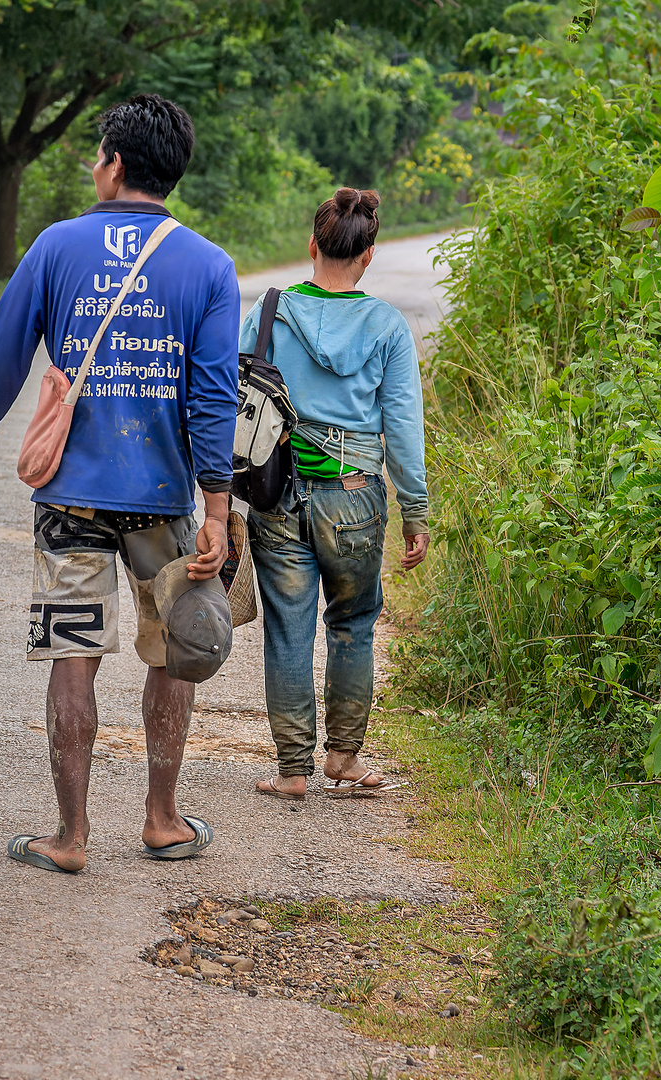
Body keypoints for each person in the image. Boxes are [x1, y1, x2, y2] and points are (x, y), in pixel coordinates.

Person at [0, 95, 240, 871]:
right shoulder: (208, 264)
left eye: (95, 153)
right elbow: (213, 397)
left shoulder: (56, 246)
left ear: (113, 164)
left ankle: (70, 837)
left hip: (70, 497)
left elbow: (2, 354)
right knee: (173, 652)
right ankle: (162, 818)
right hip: (162, 501)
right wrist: (218, 508)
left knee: (73, 660)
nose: (92, 166)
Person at [240, 188, 430, 801]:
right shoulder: (385, 326)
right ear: (369, 255)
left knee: (288, 631)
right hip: (354, 497)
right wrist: (415, 510)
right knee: (353, 624)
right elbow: (400, 427)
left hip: (278, 495)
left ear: (313, 244)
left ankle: (292, 771)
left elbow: (232, 399)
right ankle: (344, 759)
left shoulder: (267, 313)